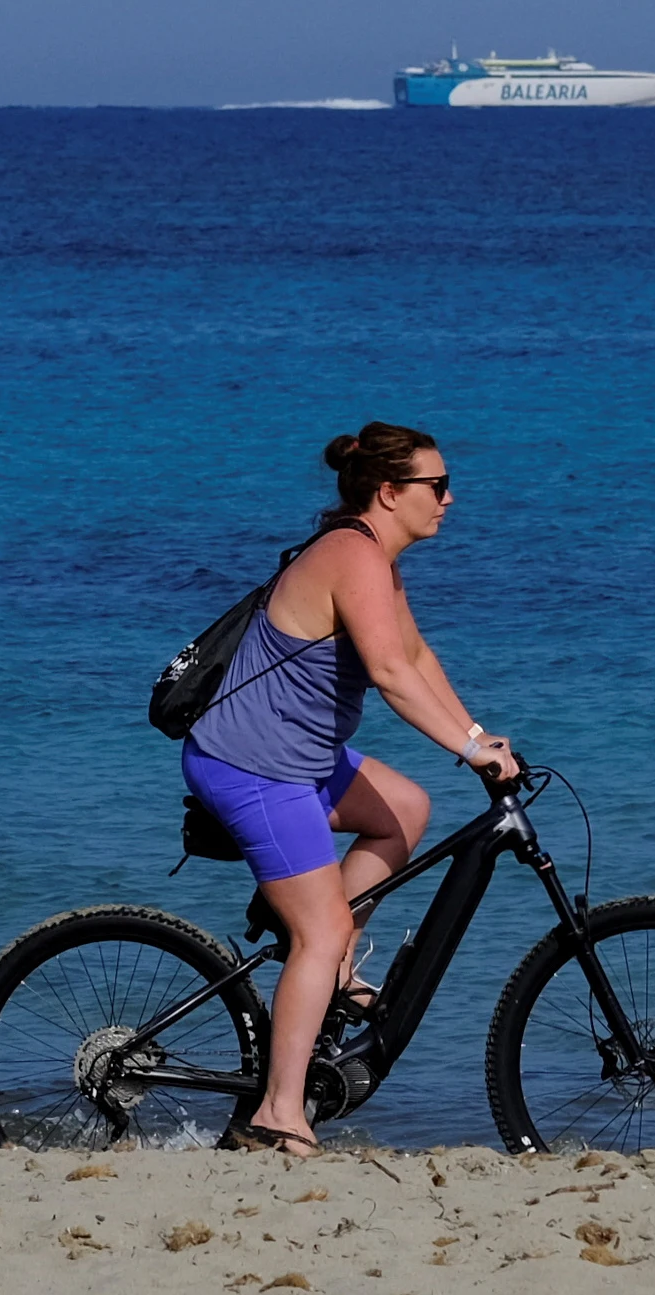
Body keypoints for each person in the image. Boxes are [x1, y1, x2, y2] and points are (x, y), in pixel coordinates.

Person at [182, 421, 520, 1155]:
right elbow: (392, 675)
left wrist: (478, 733)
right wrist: (465, 748)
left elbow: (415, 654)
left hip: (296, 758)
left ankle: (324, 959)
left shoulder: (377, 557)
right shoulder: (350, 556)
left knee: (403, 808)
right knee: (322, 927)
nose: (449, 498)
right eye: (436, 486)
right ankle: (275, 1111)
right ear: (390, 491)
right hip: (252, 765)